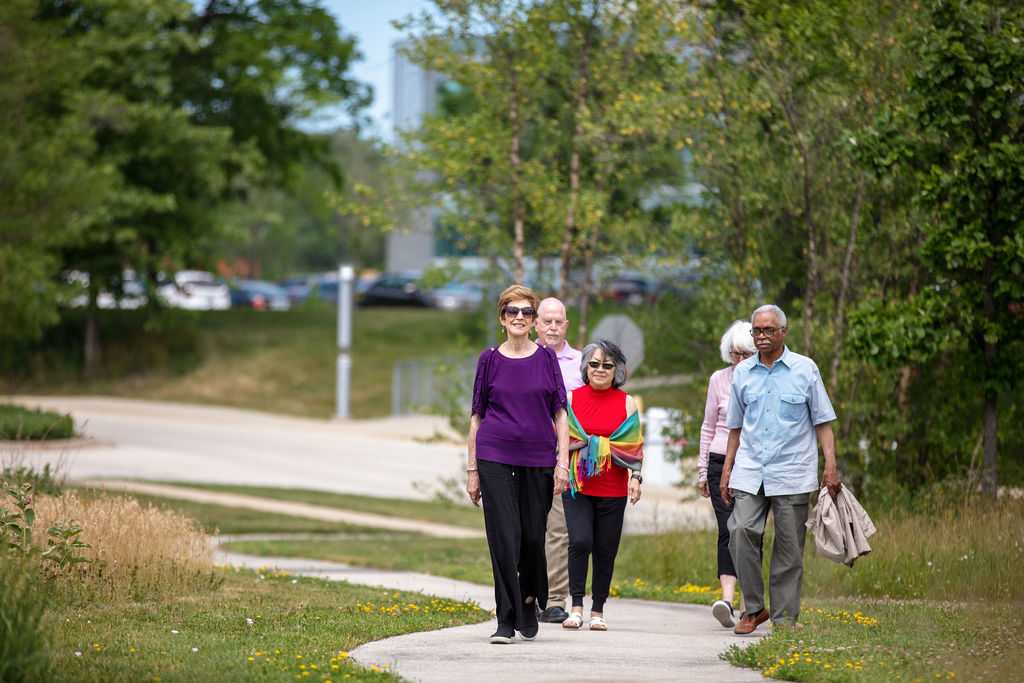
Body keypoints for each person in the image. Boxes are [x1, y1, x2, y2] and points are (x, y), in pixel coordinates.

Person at [720, 304, 842, 634]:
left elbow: (823, 421)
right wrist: (727, 468)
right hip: (750, 469)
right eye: (756, 331)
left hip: (793, 471)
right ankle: (755, 608)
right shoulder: (742, 373)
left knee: (789, 549)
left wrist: (830, 466)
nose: (760, 336)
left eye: (767, 331)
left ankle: (785, 620)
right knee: (740, 529)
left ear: (783, 332)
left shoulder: (805, 369)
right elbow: (734, 426)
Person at [466, 284, 571, 644]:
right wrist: (472, 470)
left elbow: (560, 413)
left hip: (539, 458)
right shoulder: (489, 360)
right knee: (504, 539)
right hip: (494, 454)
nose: (521, 318)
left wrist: (563, 463)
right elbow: (476, 417)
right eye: (513, 312)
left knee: (531, 538)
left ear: (534, 319)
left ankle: (529, 599)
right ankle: (505, 618)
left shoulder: (546, 360)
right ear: (502, 317)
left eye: (527, 312)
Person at [560, 340, 643, 632]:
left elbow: (633, 447)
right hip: (578, 485)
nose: (600, 370)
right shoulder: (570, 399)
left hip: (613, 488)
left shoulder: (626, 402)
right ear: (585, 367)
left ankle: (598, 610)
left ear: (616, 370)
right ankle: (576, 607)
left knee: (606, 549)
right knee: (580, 542)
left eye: (607, 365)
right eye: (594, 364)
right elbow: (562, 441)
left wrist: (636, 477)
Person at [698, 320, 755, 628]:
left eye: (745, 354)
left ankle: (751, 604)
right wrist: (702, 471)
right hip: (720, 461)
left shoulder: (763, 380)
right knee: (728, 529)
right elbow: (708, 427)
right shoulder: (719, 380)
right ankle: (727, 599)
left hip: (752, 463)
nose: (739, 360)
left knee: (748, 530)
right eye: (735, 354)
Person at [534, 297, 585, 625]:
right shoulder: (521, 355)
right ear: (536, 324)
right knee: (524, 529)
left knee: (558, 531)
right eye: (547, 321)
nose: (553, 327)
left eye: (558, 321)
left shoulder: (582, 363)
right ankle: (525, 596)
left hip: (562, 459)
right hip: (523, 455)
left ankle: (554, 600)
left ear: (566, 325)